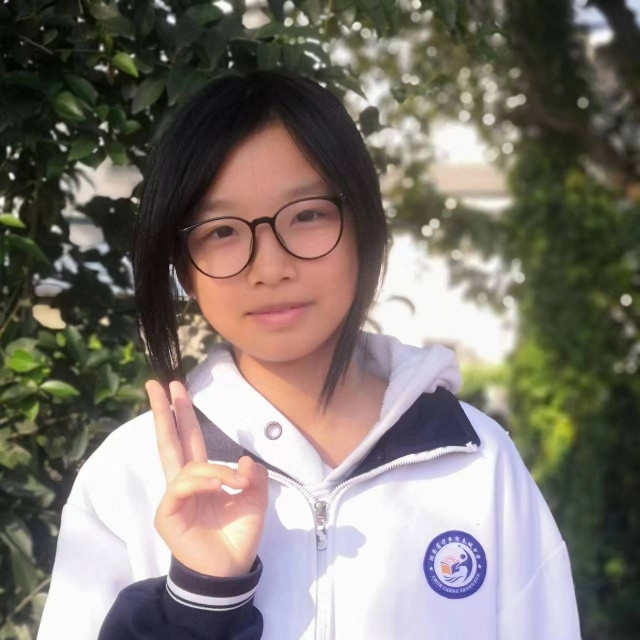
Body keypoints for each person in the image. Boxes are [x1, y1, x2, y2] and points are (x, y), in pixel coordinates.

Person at [36, 68, 582, 640]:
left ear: (364, 226)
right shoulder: (130, 476)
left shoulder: (476, 463)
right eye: (221, 231)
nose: (270, 268)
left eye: (308, 215)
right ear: (182, 265)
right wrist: (200, 603)